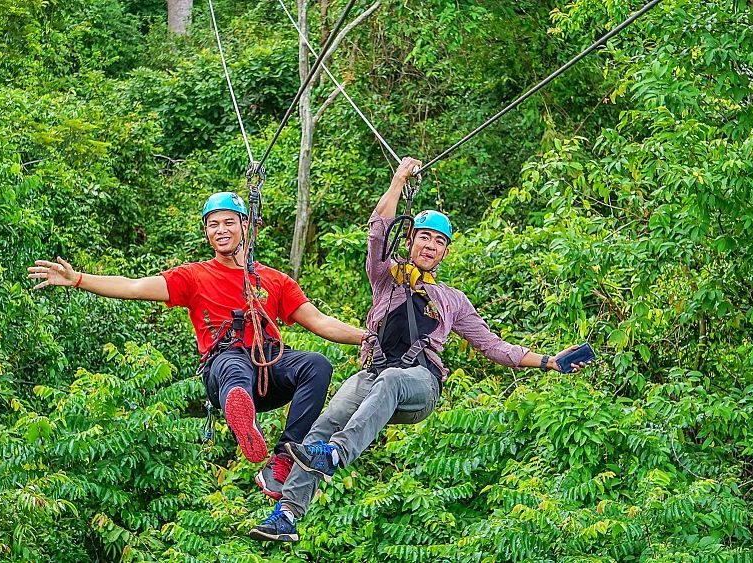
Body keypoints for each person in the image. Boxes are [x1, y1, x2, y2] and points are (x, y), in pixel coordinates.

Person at [248, 157, 590, 542]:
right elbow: (378, 231)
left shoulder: (451, 300)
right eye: (424, 237)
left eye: (439, 242)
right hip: (374, 375)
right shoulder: (386, 277)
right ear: (410, 241)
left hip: (419, 384)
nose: (430, 245)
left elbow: (495, 347)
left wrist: (549, 361)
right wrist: (398, 180)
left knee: (391, 381)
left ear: (444, 253)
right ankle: (288, 514)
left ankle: (337, 455)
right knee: (325, 422)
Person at [28, 192, 364, 499]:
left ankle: (283, 458)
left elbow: (320, 322)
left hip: (269, 368)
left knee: (317, 364)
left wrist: (367, 337)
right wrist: (79, 279)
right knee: (234, 365)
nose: (220, 230)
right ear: (206, 233)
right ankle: (240, 413)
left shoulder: (274, 280)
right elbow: (133, 286)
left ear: (245, 226)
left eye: (228, 222)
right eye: (213, 224)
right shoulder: (194, 276)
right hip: (225, 366)